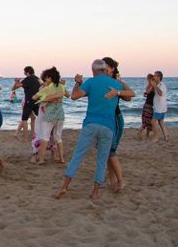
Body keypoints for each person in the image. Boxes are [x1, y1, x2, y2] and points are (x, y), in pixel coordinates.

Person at [55, 59, 133, 202]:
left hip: (90, 124)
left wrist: (78, 82)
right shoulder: (115, 83)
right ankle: (95, 192)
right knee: (102, 160)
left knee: (78, 156)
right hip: (108, 126)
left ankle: (64, 187)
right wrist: (118, 89)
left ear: (93, 71)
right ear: (105, 69)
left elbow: (74, 96)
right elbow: (131, 95)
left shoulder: (90, 82)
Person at [103, 57, 133, 193]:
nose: (103, 69)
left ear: (112, 68)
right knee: (107, 152)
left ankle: (120, 181)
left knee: (110, 152)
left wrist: (119, 86)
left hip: (115, 119)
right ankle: (112, 180)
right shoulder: (102, 82)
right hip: (105, 119)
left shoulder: (115, 83)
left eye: (106, 67)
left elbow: (129, 96)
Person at [31, 67, 68, 165]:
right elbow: (68, 95)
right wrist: (57, 95)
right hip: (60, 115)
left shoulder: (47, 88)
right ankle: (61, 159)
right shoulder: (61, 86)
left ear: (49, 78)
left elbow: (34, 97)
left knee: (45, 137)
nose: (45, 80)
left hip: (50, 115)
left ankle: (41, 159)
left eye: (46, 78)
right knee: (58, 138)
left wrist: (47, 98)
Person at [12, 66, 41, 140]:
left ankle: (25, 138)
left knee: (24, 119)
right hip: (38, 101)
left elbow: (14, 88)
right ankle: (33, 134)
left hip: (29, 101)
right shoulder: (38, 79)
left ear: (27, 72)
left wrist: (16, 81)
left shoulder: (28, 79)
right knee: (38, 117)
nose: (24, 73)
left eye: (24, 71)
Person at [150, 70, 170, 142]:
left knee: (153, 122)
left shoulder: (162, 85)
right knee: (161, 122)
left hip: (159, 108)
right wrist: (153, 85)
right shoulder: (158, 85)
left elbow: (160, 93)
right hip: (161, 107)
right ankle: (166, 136)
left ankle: (156, 138)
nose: (153, 77)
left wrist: (154, 86)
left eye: (155, 76)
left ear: (159, 77)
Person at [137, 74, 156, 140]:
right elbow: (147, 92)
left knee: (149, 121)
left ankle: (147, 135)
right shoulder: (149, 86)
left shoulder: (153, 86)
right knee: (145, 122)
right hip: (147, 105)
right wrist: (153, 86)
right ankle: (139, 133)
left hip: (151, 106)